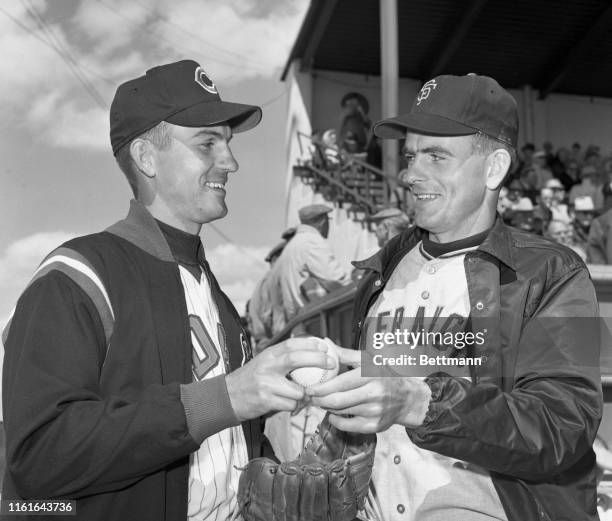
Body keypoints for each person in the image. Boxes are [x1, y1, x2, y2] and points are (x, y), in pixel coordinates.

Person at [1, 60, 336, 521]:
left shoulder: (213, 290)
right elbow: (38, 456)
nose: (231, 161)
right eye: (207, 143)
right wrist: (227, 398)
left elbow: (232, 442)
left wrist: (277, 480)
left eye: (228, 143)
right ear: (145, 157)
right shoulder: (77, 276)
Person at [307, 74, 602, 520]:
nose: (410, 174)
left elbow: (566, 425)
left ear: (494, 168)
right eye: (410, 156)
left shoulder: (556, 271)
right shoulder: (380, 270)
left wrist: (421, 404)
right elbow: (387, 391)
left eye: (436, 156)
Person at [270, 204, 351, 335]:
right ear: (322, 221)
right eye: (328, 221)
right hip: (316, 324)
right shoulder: (311, 242)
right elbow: (338, 281)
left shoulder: (290, 247)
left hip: (298, 324)